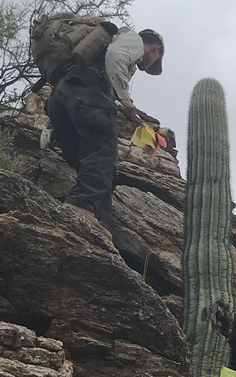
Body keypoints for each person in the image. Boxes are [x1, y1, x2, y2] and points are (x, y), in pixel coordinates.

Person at [46, 24, 164, 227]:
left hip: (60, 95)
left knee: (85, 160)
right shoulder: (132, 39)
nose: (151, 64)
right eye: (156, 59)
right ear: (156, 50)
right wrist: (125, 99)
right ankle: (80, 207)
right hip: (86, 88)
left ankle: (100, 223)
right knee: (103, 155)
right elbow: (116, 57)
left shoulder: (103, 47)